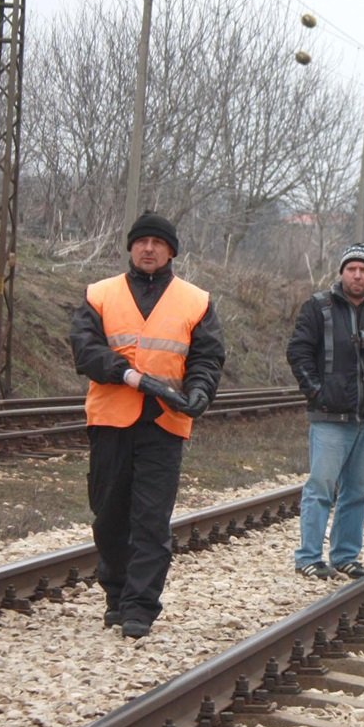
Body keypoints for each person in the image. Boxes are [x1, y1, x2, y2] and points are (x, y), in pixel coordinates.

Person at [69, 212, 226, 639]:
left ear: (171, 250)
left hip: (165, 423)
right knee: (109, 516)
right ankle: (116, 596)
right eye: (142, 242)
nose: (149, 249)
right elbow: (85, 349)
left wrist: (200, 392)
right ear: (130, 248)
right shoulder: (100, 295)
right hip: (110, 421)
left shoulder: (196, 301)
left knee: (151, 519)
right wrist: (126, 374)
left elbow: (207, 358)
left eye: (158, 242)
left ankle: (141, 606)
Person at [286, 243, 364, 580]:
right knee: (320, 488)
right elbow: (298, 351)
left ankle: (345, 556)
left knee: (357, 492)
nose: (357, 274)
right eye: (351, 268)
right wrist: (315, 391)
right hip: (329, 416)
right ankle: (308, 557)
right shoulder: (318, 307)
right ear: (341, 273)